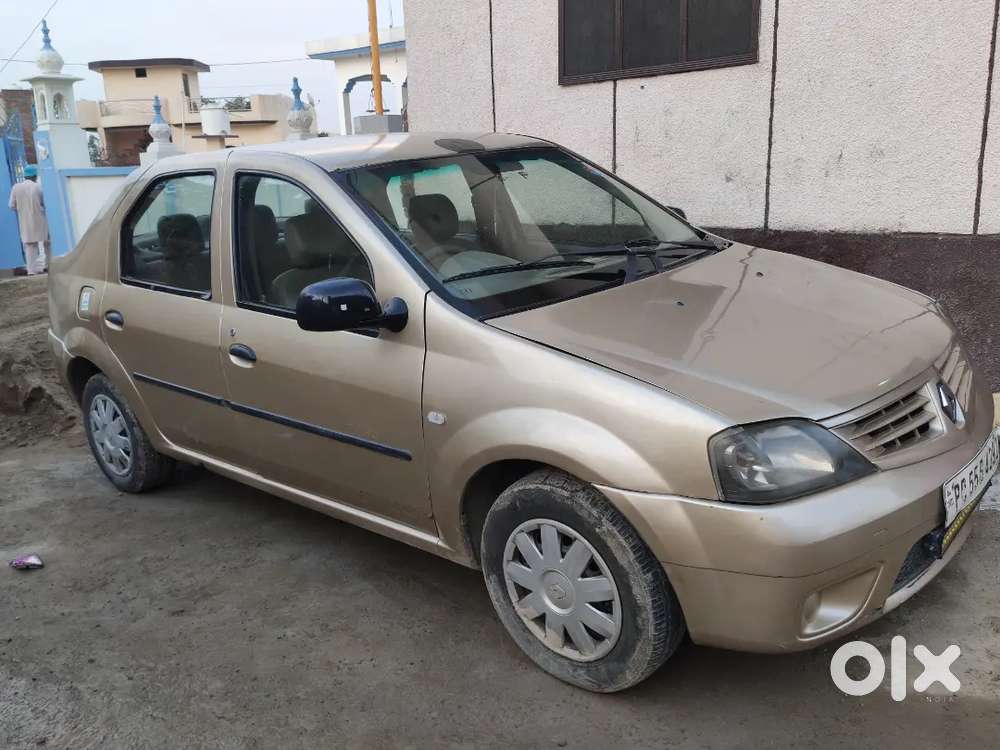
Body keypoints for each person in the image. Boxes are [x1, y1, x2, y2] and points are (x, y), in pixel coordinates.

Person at [7, 165, 49, 275]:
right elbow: (45, 203)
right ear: (35, 176)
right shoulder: (38, 187)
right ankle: (48, 265)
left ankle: (31, 270)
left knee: (30, 246)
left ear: (25, 176)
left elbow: (11, 205)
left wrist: (22, 208)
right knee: (47, 242)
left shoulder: (16, 187)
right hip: (40, 219)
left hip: (25, 220)